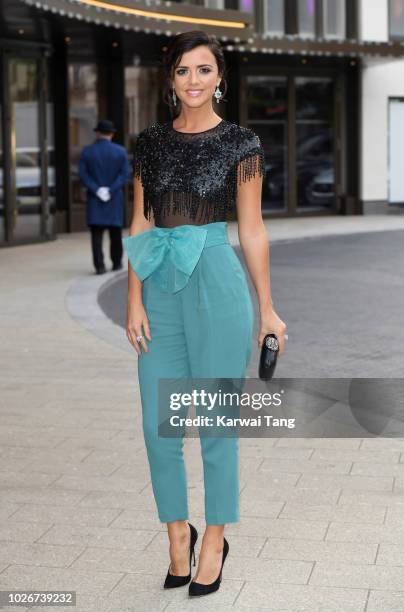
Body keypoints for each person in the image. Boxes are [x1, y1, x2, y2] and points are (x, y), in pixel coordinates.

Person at [123, 30, 287, 598]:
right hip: (160, 284)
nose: (194, 81)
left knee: (216, 422)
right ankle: (177, 532)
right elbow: (141, 226)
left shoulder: (241, 144)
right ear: (170, 81)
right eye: (183, 71)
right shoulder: (148, 144)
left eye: (204, 70)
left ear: (221, 77)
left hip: (217, 280)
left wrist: (268, 309)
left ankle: (215, 537)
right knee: (156, 423)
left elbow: (252, 228)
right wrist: (133, 301)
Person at [79, 119, 130, 274]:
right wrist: (111, 189)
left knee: (96, 235)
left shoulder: (87, 151)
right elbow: (124, 175)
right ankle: (116, 263)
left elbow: (83, 174)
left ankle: (99, 266)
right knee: (116, 234)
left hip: (95, 199)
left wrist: (97, 189)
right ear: (112, 134)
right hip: (114, 198)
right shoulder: (121, 151)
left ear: (98, 133)